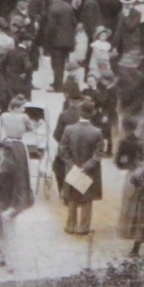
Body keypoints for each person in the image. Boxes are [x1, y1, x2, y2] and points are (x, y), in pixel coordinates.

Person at [0, 138, 35, 271]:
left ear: (1, 152)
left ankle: (11, 262)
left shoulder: (11, 166)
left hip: (7, 205)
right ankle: (0, 257)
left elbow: (18, 189)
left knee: (9, 234)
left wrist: (13, 208)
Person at [56, 101, 104, 235]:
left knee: (72, 198)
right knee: (87, 199)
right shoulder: (97, 132)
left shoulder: (69, 129)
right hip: (89, 171)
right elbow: (99, 154)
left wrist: (73, 166)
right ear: (93, 113)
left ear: (80, 112)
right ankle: (84, 228)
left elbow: (62, 151)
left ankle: (70, 226)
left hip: (72, 169)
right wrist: (86, 166)